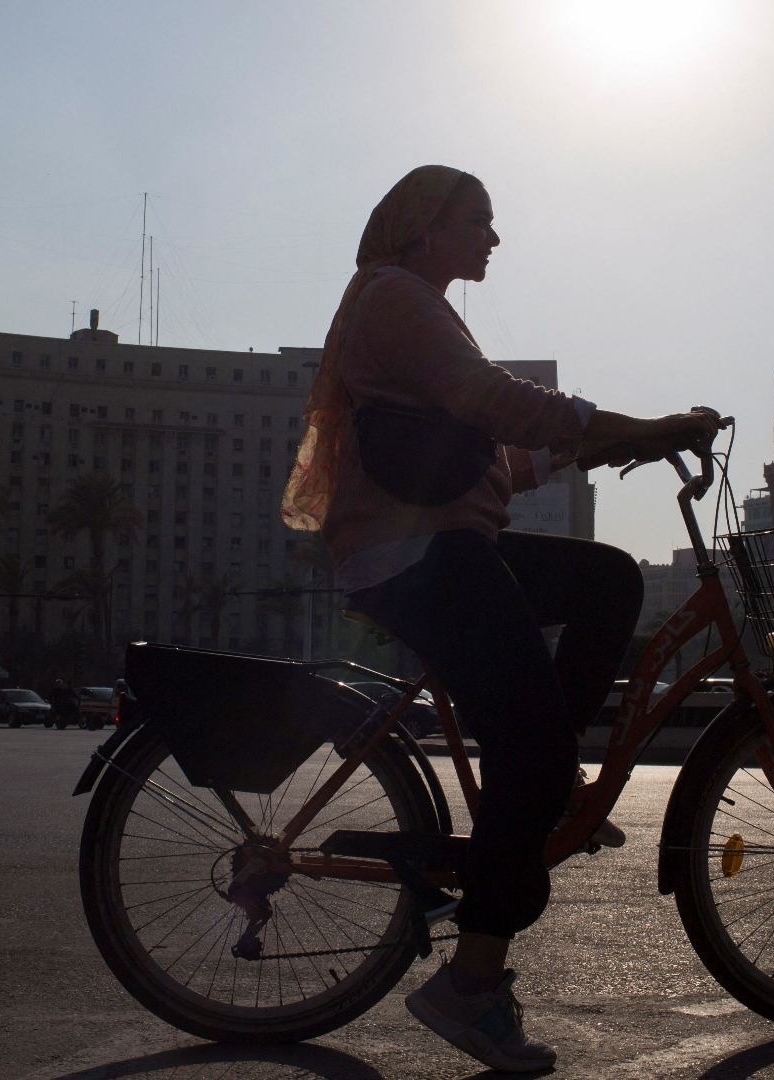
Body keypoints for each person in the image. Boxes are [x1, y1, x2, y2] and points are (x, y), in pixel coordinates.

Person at [282, 165, 723, 1073]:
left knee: (606, 583)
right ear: (422, 229)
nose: (493, 239)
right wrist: (623, 426)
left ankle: (543, 786)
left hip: (451, 545)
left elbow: (487, 459)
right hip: (421, 558)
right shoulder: (396, 298)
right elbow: (491, 402)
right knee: (533, 746)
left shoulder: (420, 309)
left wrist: (581, 452)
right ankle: (470, 985)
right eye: (478, 221)